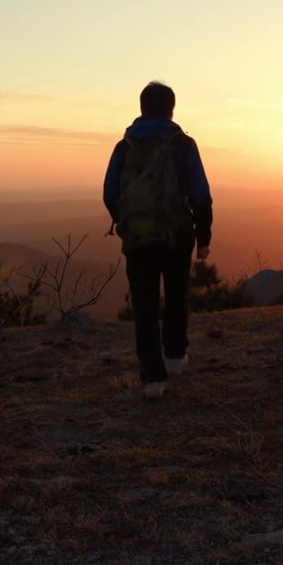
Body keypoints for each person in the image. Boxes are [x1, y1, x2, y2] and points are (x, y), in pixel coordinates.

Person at [103, 81, 213, 400]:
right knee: (177, 296)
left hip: (138, 239)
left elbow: (110, 193)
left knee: (145, 305)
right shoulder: (183, 145)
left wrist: (126, 223)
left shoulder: (124, 147)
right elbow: (201, 196)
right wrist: (203, 238)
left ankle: (152, 378)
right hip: (177, 236)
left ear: (141, 108)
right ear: (171, 109)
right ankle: (175, 358)